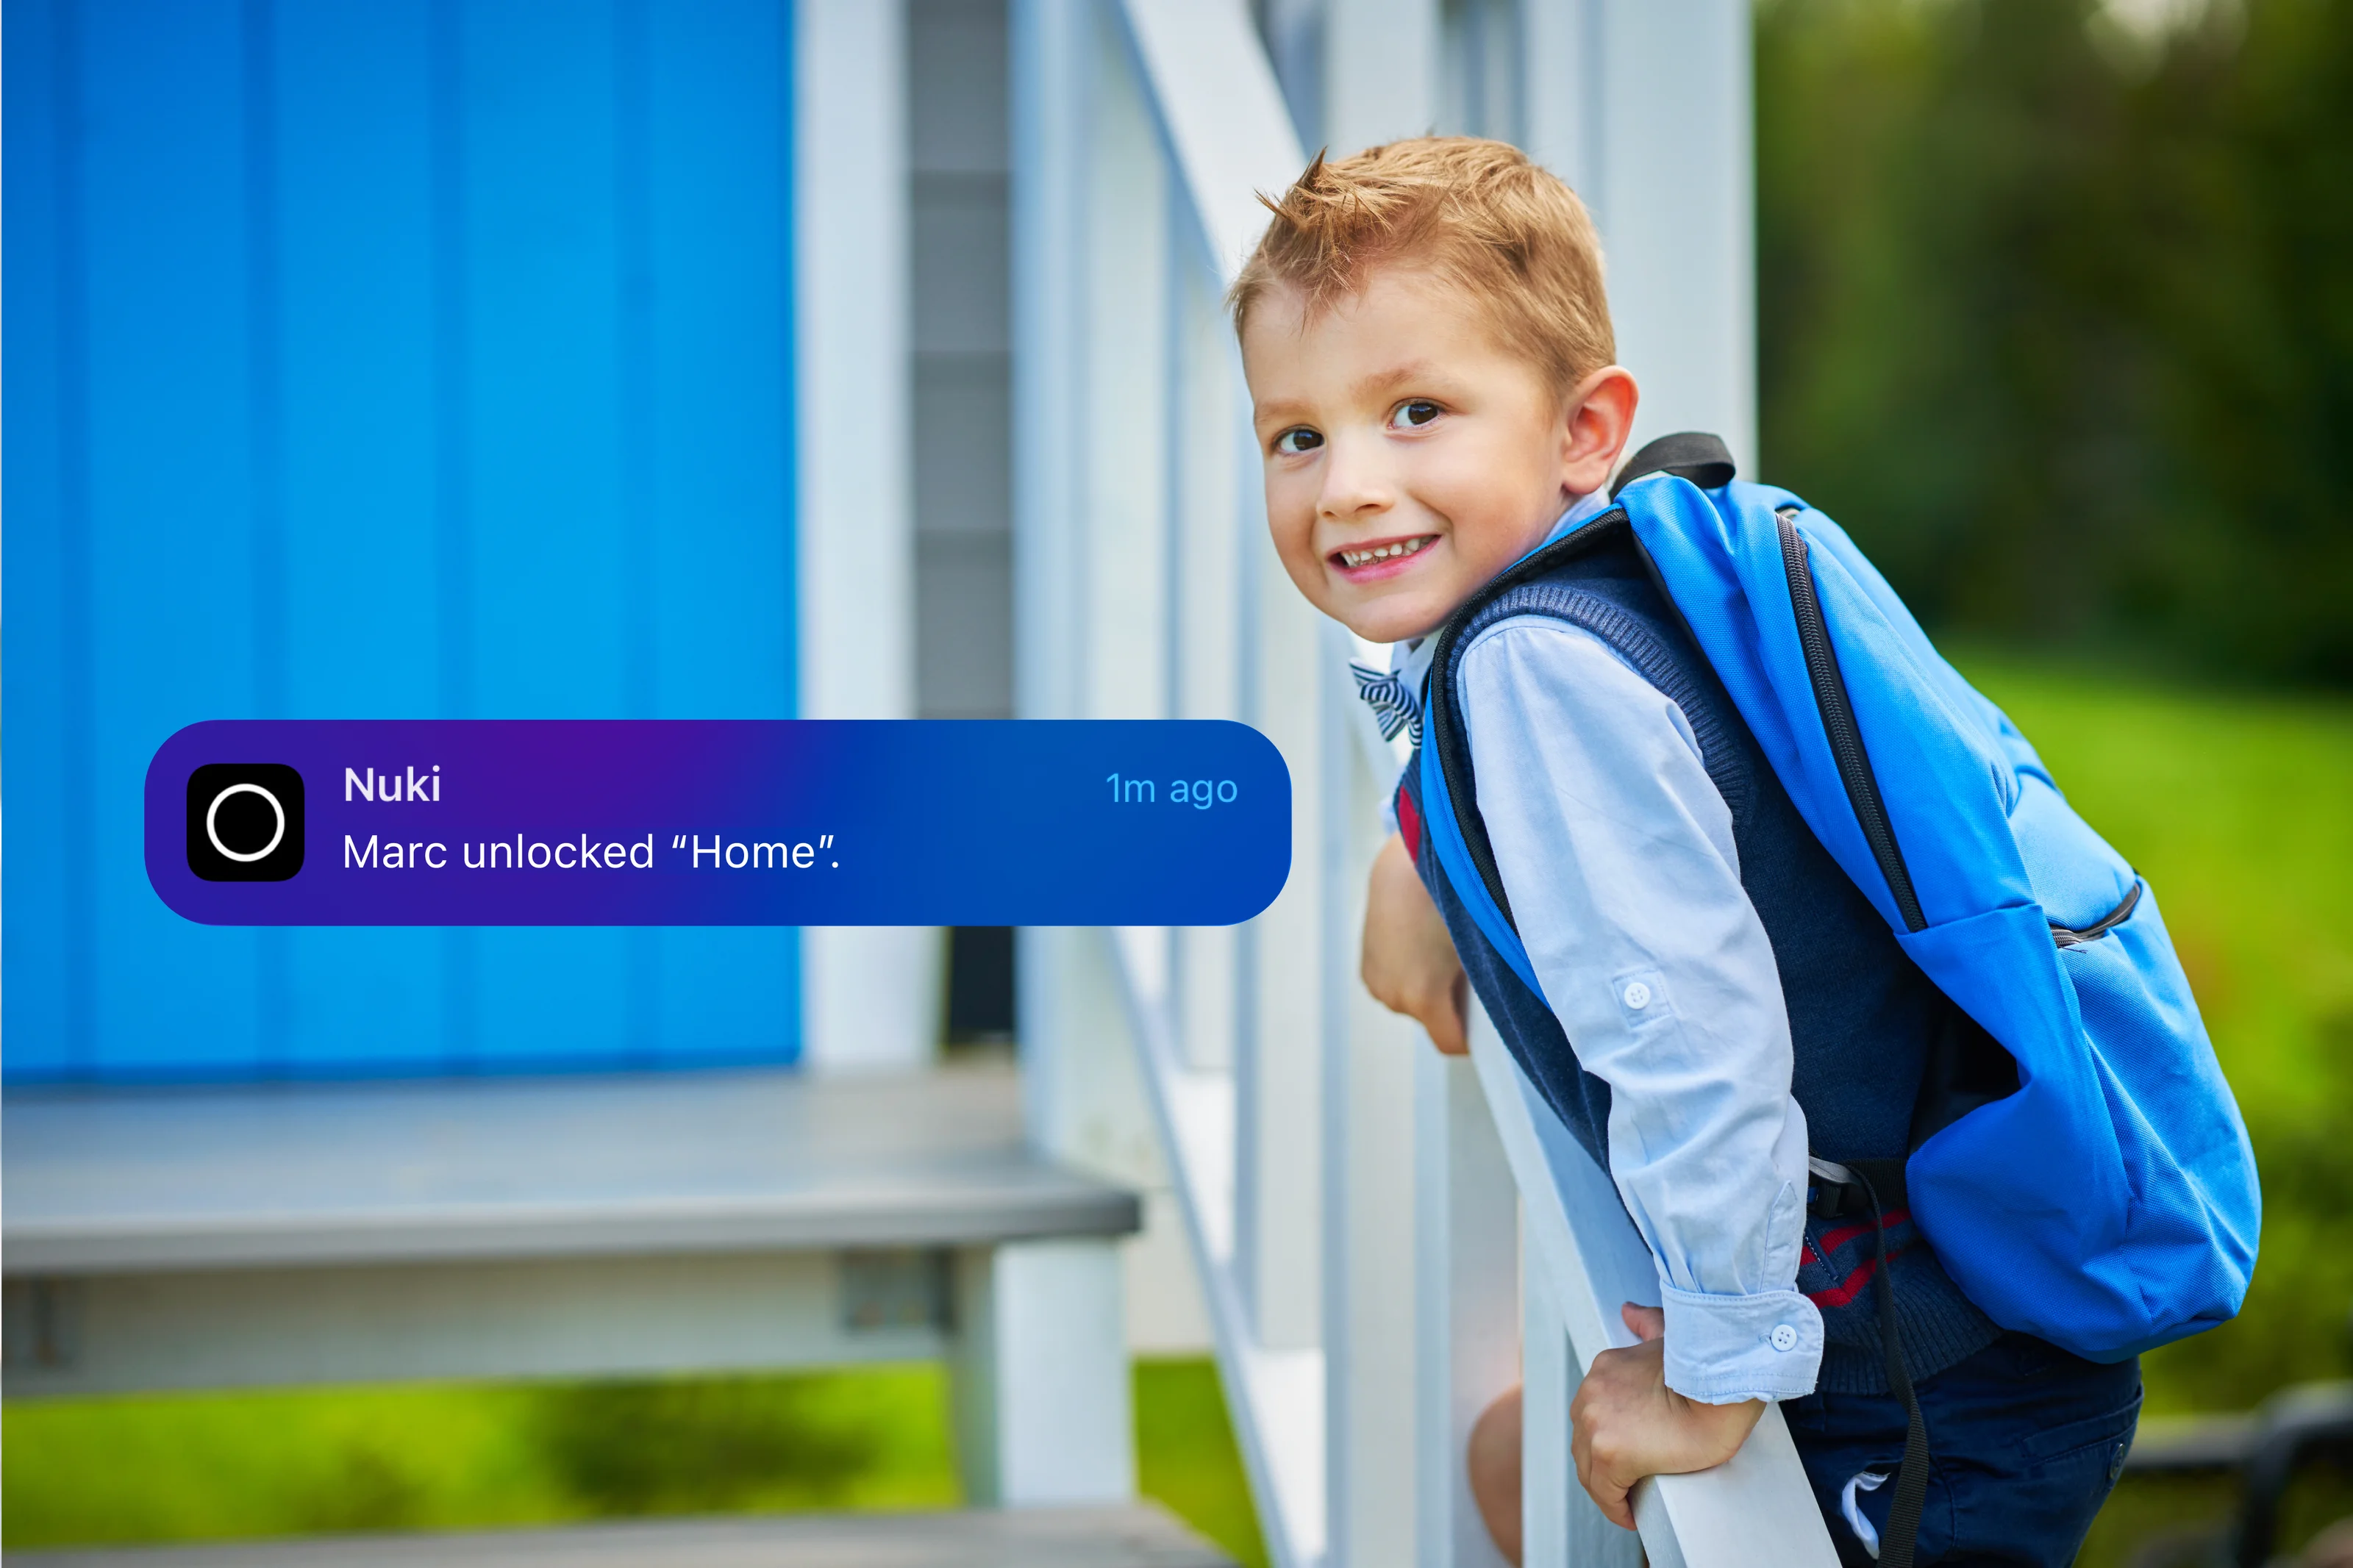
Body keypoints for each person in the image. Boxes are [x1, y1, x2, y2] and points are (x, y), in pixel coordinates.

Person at [1230, 136, 2142, 1565]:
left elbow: (1689, 1040)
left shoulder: (1533, 671)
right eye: (1296, 434)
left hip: (1917, 1387)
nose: (1344, 484)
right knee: (1507, 1459)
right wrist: (1422, 850)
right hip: (1945, 1340)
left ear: (1585, 431)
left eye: (1415, 411)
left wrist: (1715, 1374)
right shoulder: (1608, 600)